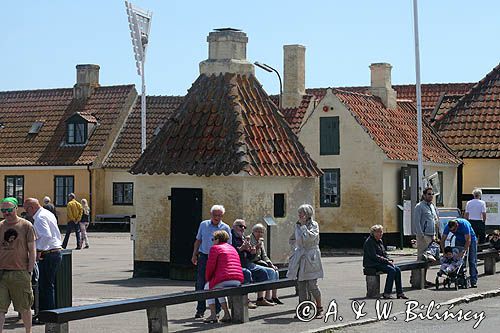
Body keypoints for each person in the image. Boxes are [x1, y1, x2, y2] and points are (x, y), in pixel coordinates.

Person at [0, 197, 36, 333]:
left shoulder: (26, 225)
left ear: (16, 209)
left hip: (20, 272)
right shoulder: (1, 226)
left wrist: (29, 271)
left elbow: (32, 249)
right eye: (3, 210)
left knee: (24, 307)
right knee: (0, 308)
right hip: (2, 272)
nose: (6, 213)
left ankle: (28, 331)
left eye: (9, 210)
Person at [191, 205, 231, 319]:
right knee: (200, 283)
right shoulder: (203, 225)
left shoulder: (225, 228)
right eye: (215, 215)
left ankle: (216, 311)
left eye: (219, 215)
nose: (217, 217)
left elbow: (229, 245)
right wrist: (194, 254)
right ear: (211, 215)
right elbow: (198, 240)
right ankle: (200, 309)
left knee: (216, 284)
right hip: (204, 256)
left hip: (218, 258)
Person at [24, 198, 62, 313]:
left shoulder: (40, 218)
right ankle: (49, 314)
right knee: (48, 285)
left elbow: (46, 236)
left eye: (26, 209)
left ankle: (47, 315)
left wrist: (39, 250)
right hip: (54, 252)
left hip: (48, 254)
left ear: (32, 207)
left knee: (45, 287)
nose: (27, 212)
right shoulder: (47, 213)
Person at [287, 204, 325, 319]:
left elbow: (310, 238)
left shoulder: (314, 225)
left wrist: (304, 227)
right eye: (299, 213)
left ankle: (319, 308)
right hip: (300, 257)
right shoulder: (297, 225)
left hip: (311, 257)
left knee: (313, 285)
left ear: (307, 214)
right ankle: (303, 309)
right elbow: (292, 238)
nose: (299, 215)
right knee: (301, 285)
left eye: (301, 213)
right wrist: (295, 249)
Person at [203, 230, 243, 323]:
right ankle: (226, 314)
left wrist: (208, 279)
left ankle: (213, 315)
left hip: (225, 279)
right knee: (218, 288)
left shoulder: (215, 248)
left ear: (217, 239)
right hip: (237, 279)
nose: (212, 241)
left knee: (207, 287)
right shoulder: (232, 248)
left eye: (213, 239)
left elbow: (210, 266)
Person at [363, 224, 408, 299]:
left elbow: (384, 253)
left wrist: (389, 259)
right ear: (373, 233)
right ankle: (387, 293)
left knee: (397, 269)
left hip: (379, 262)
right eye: (378, 232)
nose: (380, 234)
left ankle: (400, 293)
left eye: (381, 232)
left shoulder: (380, 241)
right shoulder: (369, 242)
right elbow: (374, 256)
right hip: (372, 263)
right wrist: (387, 261)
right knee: (392, 270)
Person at [410, 187, 438, 287]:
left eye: (432, 194)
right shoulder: (419, 206)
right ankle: (417, 280)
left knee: (428, 259)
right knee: (421, 258)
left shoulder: (432, 206)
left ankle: (424, 280)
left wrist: (435, 235)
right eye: (429, 194)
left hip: (431, 235)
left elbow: (435, 220)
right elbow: (416, 222)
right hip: (423, 236)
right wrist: (420, 235)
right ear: (424, 195)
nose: (431, 196)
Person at [249, 224, 282, 305]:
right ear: (253, 231)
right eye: (258, 232)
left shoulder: (260, 241)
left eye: (262, 232)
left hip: (260, 262)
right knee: (270, 272)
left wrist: (270, 264)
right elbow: (250, 256)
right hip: (253, 262)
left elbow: (264, 255)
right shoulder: (249, 240)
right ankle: (263, 298)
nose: (260, 234)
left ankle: (273, 296)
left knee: (275, 271)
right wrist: (257, 247)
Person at [440, 218, 478, 288]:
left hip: (471, 240)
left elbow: (468, 240)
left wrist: (463, 252)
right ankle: (460, 281)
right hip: (459, 240)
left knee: (472, 260)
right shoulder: (448, 227)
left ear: (457, 226)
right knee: (458, 260)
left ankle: (473, 281)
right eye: (451, 231)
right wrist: (444, 252)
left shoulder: (464, 225)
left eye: (454, 230)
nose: (453, 231)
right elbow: (442, 240)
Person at [230, 219, 258, 309]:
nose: (243, 228)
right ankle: (245, 299)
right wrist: (241, 249)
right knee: (246, 273)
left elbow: (250, 258)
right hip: (233, 265)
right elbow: (230, 254)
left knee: (268, 272)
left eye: (244, 227)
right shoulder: (231, 237)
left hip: (245, 264)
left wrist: (253, 252)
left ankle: (263, 298)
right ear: (234, 226)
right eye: (240, 226)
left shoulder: (243, 238)